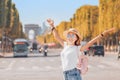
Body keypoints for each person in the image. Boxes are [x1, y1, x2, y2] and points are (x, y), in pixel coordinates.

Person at [47, 18, 115, 80]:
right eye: (68, 35)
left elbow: (90, 43)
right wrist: (52, 26)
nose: (70, 37)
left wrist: (102, 34)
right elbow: (56, 36)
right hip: (65, 74)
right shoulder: (65, 45)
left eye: (73, 35)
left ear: (76, 38)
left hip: (73, 73)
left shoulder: (78, 48)